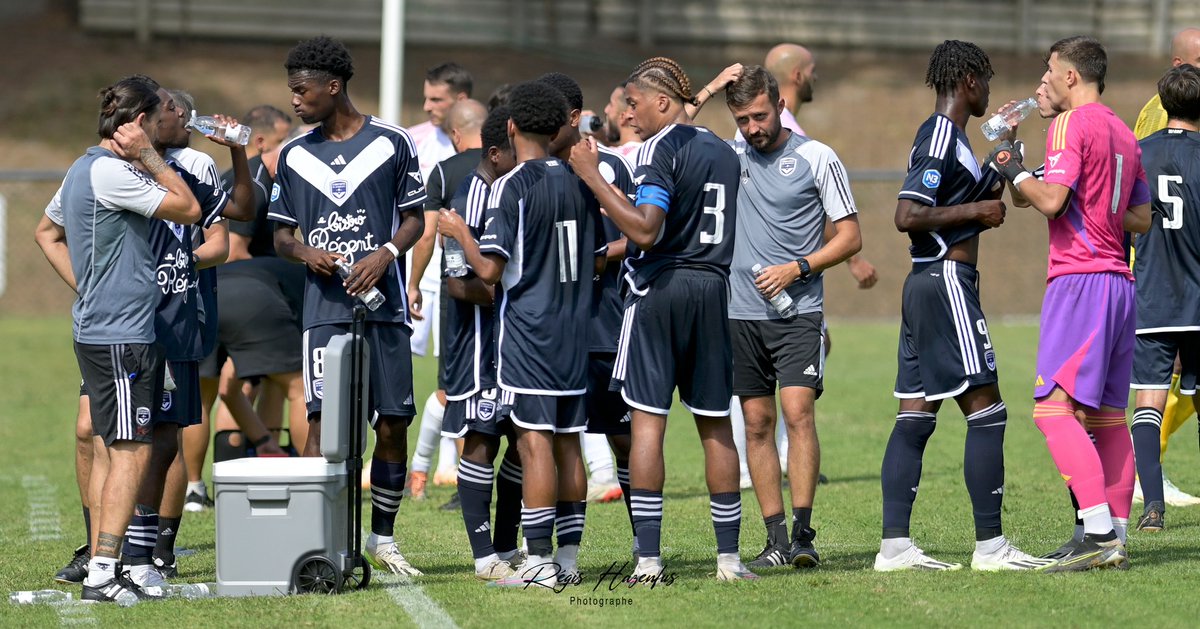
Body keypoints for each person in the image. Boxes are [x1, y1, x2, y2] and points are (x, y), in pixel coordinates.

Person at [570, 56, 757, 582]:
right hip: (714, 289)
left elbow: (646, 231)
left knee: (648, 424)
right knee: (716, 424)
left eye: (633, 102)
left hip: (661, 289)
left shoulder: (656, 151)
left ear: (660, 102)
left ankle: (648, 560)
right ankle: (729, 560)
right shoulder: (721, 149)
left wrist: (592, 177)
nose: (627, 113)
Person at [875, 40, 1050, 572]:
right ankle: (991, 547)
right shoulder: (939, 135)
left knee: (915, 414)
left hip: (926, 285)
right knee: (988, 412)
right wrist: (978, 207)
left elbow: (977, 196)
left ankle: (894, 547)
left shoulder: (955, 142)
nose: (991, 92)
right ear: (970, 81)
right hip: (946, 280)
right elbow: (907, 215)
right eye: (988, 82)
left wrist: (1001, 155)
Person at [987, 35, 1152, 571]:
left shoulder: (1068, 124)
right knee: (1106, 416)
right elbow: (1140, 219)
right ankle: (1115, 538)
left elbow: (1052, 202)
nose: (1046, 80)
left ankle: (1098, 534)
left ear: (1071, 76)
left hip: (1079, 280)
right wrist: (1023, 169)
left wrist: (1011, 169)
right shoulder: (1125, 133)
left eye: (1049, 71)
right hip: (1120, 283)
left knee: (1053, 410)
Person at [268, 36, 426, 576]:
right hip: (324, 311)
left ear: (332, 87)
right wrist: (306, 251)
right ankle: (315, 541)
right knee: (322, 424)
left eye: (302, 89)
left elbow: (415, 218)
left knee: (393, 423)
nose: (295, 99)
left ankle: (383, 540)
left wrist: (385, 255)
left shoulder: (393, 141)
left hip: (383, 310)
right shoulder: (293, 154)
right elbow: (280, 237)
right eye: (291, 91)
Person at [447, 80, 602, 586]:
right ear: (560, 127)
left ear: (511, 127)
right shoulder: (583, 181)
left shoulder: (510, 186)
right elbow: (596, 257)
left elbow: (489, 273)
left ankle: (537, 562)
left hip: (530, 334)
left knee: (534, 444)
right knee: (568, 444)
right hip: (575, 330)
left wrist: (460, 234)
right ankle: (570, 561)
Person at [59, 75, 202, 602]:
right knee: (129, 449)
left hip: (105, 328)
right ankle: (102, 570)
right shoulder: (111, 173)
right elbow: (188, 208)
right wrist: (152, 158)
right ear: (138, 123)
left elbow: (48, 230)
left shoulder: (80, 168)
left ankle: (104, 561)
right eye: (157, 114)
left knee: (113, 447)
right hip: (121, 333)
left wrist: (87, 286)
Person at [717, 66, 863, 570]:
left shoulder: (816, 157)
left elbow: (849, 237)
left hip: (798, 310)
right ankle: (775, 540)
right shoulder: (727, 155)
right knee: (756, 423)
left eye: (759, 115)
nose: (752, 128)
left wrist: (797, 268)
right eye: (741, 119)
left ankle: (804, 535)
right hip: (738, 312)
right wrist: (713, 86)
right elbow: (677, 129)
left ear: (780, 105)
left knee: (798, 414)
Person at [538, 71, 638, 528]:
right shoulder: (529, 172)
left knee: (624, 437)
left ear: (574, 118)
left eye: (549, 116)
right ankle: (549, 548)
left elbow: (639, 237)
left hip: (604, 326)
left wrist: (596, 257)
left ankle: (645, 544)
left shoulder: (614, 167)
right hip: (544, 330)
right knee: (545, 439)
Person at [433, 105, 523, 580]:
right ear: (494, 152)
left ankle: (506, 548)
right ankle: (485, 556)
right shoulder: (469, 197)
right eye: (517, 149)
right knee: (483, 438)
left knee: (523, 438)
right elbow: (456, 282)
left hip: (516, 341)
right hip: (478, 342)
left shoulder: (514, 187)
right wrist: (511, 293)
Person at [1127, 64, 1200, 533]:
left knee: (1148, 404)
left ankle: (1152, 507)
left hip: (1152, 294)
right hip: (1198, 299)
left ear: (1164, 104)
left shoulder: (1137, 154)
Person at [407, 98, 489, 502]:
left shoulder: (444, 171)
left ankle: (463, 483)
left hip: (457, 291)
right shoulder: (505, 166)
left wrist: (413, 283)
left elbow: (426, 234)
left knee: (454, 386)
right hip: (502, 291)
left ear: (455, 134)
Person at [602, 83, 642, 159]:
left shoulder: (607, 159)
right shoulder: (655, 155)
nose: (606, 110)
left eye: (611, 104)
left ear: (627, 114)